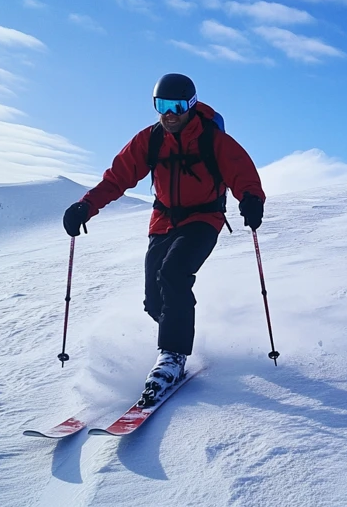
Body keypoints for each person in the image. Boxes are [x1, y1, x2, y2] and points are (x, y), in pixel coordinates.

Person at [62, 73, 266, 406]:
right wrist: (86, 206)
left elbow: (242, 174)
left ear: (191, 105)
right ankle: (176, 329)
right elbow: (117, 179)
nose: (169, 114)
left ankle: (172, 356)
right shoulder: (151, 140)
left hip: (203, 219)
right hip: (163, 221)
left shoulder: (213, 140)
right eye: (162, 105)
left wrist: (252, 200)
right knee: (154, 301)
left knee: (174, 272)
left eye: (177, 106)